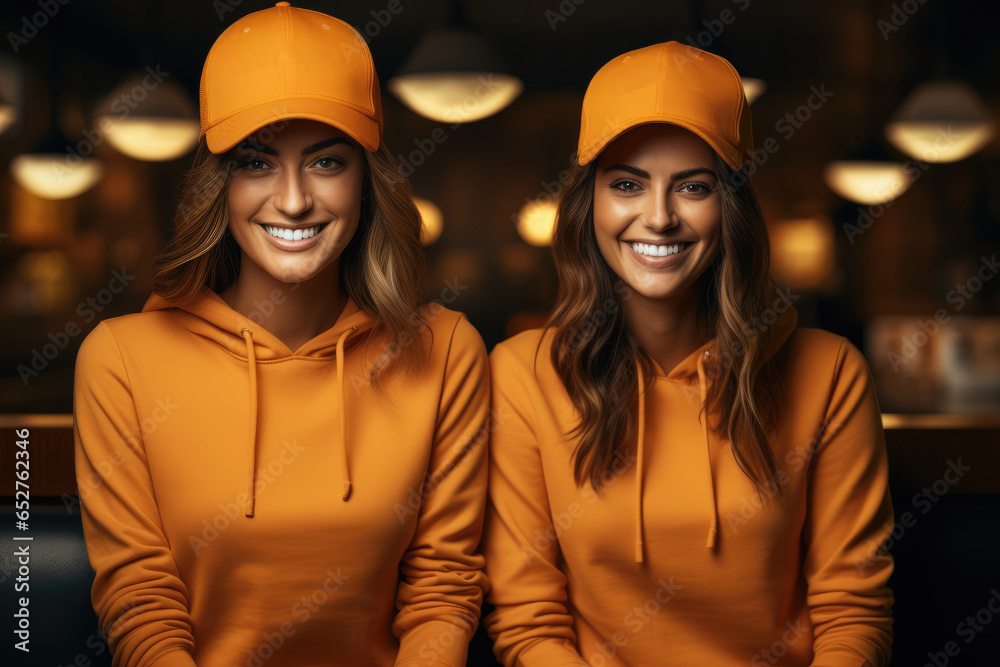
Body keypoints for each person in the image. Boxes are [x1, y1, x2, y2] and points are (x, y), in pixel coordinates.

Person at [73, 4, 489, 666]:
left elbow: (442, 590)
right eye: (256, 163)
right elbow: (140, 597)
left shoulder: (445, 349)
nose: (293, 200)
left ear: (367, 180)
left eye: (327, 163)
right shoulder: (122, 358)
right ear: (218, 186)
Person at [482, 41, 894, 666]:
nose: (658, 217)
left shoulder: (830, 372)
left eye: (692, 188)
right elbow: (529, 623)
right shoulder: (521, 374)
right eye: (627, 184)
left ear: (730, 208)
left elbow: (851, 612)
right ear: (588, 202)